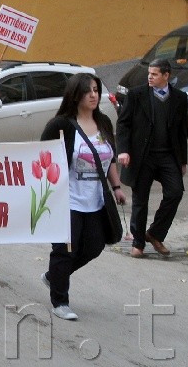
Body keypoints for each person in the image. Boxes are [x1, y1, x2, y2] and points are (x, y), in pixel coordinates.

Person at [40, 73, 126, 321]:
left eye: (96, 90)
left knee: (94, 245)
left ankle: (54, 276)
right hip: (67, 200)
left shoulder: (104, 123)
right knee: (65, 250)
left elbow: (108, 158)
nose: (93, 95)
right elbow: (42, 157)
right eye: (88, 90)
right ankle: (60, 301)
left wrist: (117, 186)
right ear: (75, 94)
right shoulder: (61, 125)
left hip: (96, 200)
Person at [116, 58, 188, 258]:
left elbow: (181, 131)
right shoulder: (137, 95)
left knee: (175, 192)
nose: (150, 77)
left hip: (167, 156)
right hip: (142, 156)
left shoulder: (180, 98)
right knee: (140, 199)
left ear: (166, 76)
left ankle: (155, 234)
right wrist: (124, 150)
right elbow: (123, 125)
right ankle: (138, 243)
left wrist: (182, 160)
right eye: (149, 73)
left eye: (155, 74)